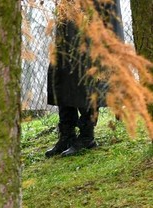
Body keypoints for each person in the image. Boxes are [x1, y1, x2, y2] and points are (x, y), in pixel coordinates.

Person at [45, 0, 124, 158]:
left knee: (85, 76)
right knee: (61, 71)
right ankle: (67, 135)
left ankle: (87, 136)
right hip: (69, 17)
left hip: (91, 20)